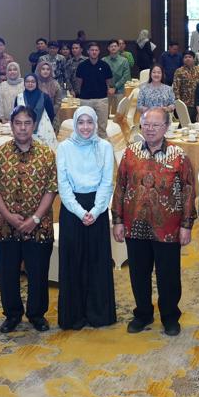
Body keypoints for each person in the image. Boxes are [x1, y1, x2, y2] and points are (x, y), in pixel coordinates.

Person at [114, 108, 197, 336]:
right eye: (146, 124)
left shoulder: (179, 156)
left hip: (168, 228)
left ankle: (170, 316)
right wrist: (118, 220)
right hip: (135, 226)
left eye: (155, 125)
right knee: (138, 274)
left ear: (166, 127)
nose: (149, 129)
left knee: (168, 276)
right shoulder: (130, 153)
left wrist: (186, 225)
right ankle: (142, 314)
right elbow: (120, 186)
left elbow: (189, 192)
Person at [0, 106, 56, 334]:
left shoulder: (47, 154)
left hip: (39, 227)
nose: (23, 127)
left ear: (33, 125)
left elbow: (51, 189)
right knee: (8, 274)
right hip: (6, 227)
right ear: (11, 125)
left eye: (27, 123)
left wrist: (35, 218)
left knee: (38, 273)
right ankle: (12, 315)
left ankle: (37, 314)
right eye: (18, 122)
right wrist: (7, 216)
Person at [55, 107, 117, 330]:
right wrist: (81, 212)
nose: (85, 127)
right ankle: (74, 316)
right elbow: (63, 185)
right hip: (72, 211)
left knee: (97, 261)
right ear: (74, 123)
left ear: (95, 123)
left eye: (89, 122)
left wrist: (97, 209)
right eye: (80, 122)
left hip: (97, 210)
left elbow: (107, 182)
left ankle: (99, 313)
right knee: (73, 261)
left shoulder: (104, 147)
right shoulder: (64, 148)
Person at [75, 42, 115, 128]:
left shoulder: (104, 65)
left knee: (102, 126)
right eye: (92, 50)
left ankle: (102, 140)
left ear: (99, 52)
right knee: (85, 126)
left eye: (96, 50)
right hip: (86, 100)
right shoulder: (82, 66)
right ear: (88, 51)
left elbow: (109, 81)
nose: (94, 52)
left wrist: (110, 90)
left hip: (101, 100)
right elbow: (78, 82)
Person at [16, 74, 57, 143]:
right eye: (27, 81)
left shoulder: (44, 96)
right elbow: (15, 116)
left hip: (43, 131)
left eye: (33, 81)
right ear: (24, 83)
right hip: (23, 131)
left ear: (37, 83)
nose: (30, 84)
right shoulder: (19, 97)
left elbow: (51, 114)